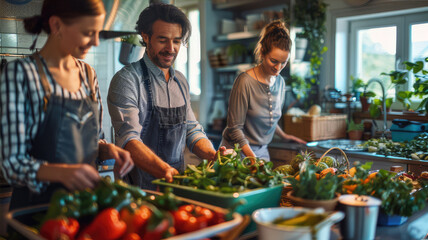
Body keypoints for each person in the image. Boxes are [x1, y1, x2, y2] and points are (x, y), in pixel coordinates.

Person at [0, 0, 133, 210]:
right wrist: (64, 172)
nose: (96, 42)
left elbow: (92, 141)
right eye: (89, 32)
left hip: (84, 206)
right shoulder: (21, 74)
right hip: (38, 213)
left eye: (98, 33)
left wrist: (107, 150)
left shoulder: (88, 74)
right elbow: (11, 164)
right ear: (57, 25)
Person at [107, 3, 221, 190]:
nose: (171, 48)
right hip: (138, 191)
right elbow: (129, 140)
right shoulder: (126, 80)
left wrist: (213, 155)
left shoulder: (181, 82)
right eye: (162, 40)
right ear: (146, 37)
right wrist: (166, 171)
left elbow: (191, 130)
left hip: (176, 187)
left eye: (176, 41)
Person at [221, 20, 307, 161]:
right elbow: (234, 128)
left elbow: (269, 117)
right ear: (262, 53)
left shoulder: (280, 82)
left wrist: (284, 136)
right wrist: (252, 158)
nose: (278, 68)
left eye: (283, 62)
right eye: (273, 61)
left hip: (261, 151)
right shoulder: (244, 81)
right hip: (236, 151)